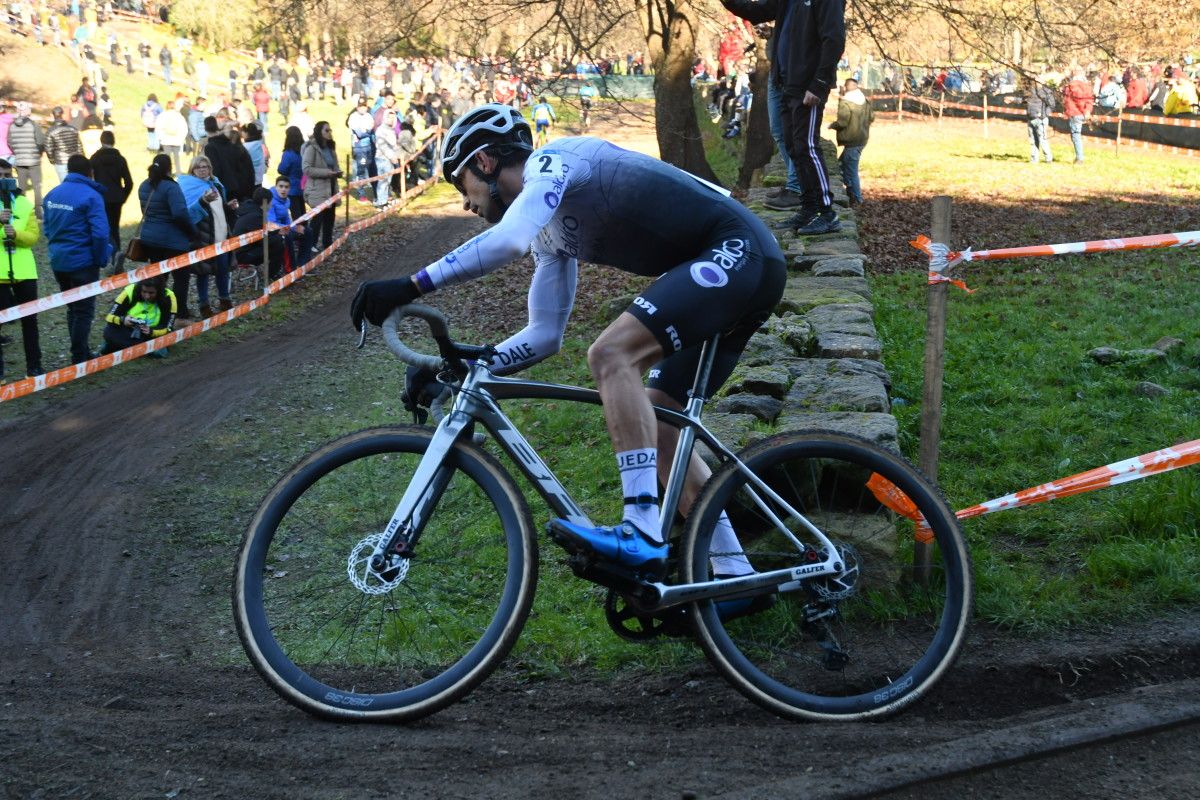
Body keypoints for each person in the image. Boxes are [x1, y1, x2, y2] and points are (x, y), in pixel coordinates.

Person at [350, 104, 785, 580]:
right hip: (735, 267)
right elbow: (545, 335)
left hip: (736, 250)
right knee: (659, 420)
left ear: (486, 162)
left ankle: (640, 528)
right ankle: (734, 572)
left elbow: (508, 242)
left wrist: (411, 285)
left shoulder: (555, 162)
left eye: (461, 184)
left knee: (611, 354)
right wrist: (458, 368)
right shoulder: (550, 234)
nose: (465, 204)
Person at [722, 0, 846, 236]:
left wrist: (819, 84)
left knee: (807, 147)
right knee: (793, 146)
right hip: (786, 82)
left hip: (807, 86)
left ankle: (827, 214)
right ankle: (808, 209)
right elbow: (756, 11)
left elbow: (834, 39)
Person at [42, 154, 111, 364]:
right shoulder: (91, 196)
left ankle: (79, 352)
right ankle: (80, 356)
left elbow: (47, 227)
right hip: (83, 262)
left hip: (59, 262)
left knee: (73, 308)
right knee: (83, 311)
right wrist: (100, 258)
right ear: (90, 172)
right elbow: (100, 234)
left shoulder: (51, 194)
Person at [136, 153, 200, 317]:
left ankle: (156, 310)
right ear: (169, 168)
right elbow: (179, 214)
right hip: (173, 241)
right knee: (181, 278)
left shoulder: (144, 185)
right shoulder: (171, 187)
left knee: (158, 279)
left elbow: (146, 211)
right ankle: (179, 312)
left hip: (150, 239)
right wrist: (192, 232)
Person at [0, 156, 44, 379]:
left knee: (30, 321)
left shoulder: (25, 203)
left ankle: (34, 366)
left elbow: (34, 237)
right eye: (0, 176)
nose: (4, 180)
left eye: (8, 176)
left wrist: (16, 234)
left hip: (25, 271)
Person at [179, 154, 235, 316]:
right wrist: (202, 201)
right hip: (202, 236)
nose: (202, 170)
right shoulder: (187, 186)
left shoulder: (215, 184)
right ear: (193, 170)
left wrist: (228, 206)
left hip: (221, 233)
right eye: (199, 167)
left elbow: (219, 208)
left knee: (223, 269)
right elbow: (187, 214)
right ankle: (204, 305)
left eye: (206, 167)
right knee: (203, 272)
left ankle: (225, 300)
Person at [98, 276, 176, 356]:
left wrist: (151, 331)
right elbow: (109, 317)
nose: (147, 296)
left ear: (159, 291)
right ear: (140, 288)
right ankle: (147, 349)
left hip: (152, 333)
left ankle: (115, 346)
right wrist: (123, 320)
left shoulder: (169, 297)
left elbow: (168, 328)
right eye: (144, 292)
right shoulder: (129, 291)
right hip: (128, 329)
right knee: (109, 331)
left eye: (151, 293)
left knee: (168, 337)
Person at [88, 129, 133, 268]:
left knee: (103, 227)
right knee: (114, 227)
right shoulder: (121, 159)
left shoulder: (94, 159)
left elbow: (90, 180)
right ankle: (117, 254)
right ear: (113, 141)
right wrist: (123, 196)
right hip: (117, 198)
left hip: (101, 198)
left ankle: (111, 254)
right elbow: (129, 182)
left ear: (101, 141)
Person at [828, 78, 872, 205]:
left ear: (846, 87)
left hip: (852, 140)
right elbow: (872, 117)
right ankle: (850, 191)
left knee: (851, 171)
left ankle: (857, 199)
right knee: (840, 165)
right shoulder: (865, 100)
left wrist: (833, 125)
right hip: (862, 139)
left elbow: (843, 121)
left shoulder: (845, 102)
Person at [301, 120, 341, 253]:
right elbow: (306, 169)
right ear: (319, 132)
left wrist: (337, 172)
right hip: (317, 189)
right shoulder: (311, 148)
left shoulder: (330, 148)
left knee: (330, 218)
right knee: (317, 219)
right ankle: (311, 244)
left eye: (330, 130)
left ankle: (327, 244)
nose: (329, 133)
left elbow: (334, 165)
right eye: (326, 130)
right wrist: (327, 173)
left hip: (331, 187)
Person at [6, 102, 46, 216]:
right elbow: (40, 142)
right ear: (27, 111)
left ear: (18, 111)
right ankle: (38, 212)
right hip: (34, 160)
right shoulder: (33, 125)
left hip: (19, 160)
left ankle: (23, 211)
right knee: (37, 187)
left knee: (21, 187)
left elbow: (10, 142)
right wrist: (38, 153)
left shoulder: (12, 126)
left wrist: (17, 152)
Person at [204, 118, 255, 202]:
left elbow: (215, 170)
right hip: (240, 187)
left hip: (225, 189)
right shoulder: (232, 145)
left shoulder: (211, 147)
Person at [1062, 70, 1094, 164]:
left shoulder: (1071, 86)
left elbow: (1070, 99)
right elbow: (1089, 100)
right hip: (1083, 113)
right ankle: (1078, 156)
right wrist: (1087, 110)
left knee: (1076, 135)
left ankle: (1079, 158)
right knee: (1076, 135)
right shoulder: (1087, 87)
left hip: (1075, 112)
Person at [276, 125, 306, 225]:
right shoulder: (304, 151)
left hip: (292, 187)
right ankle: (305, 230)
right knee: (303, 211)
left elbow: (282, 169)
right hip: (303, 184)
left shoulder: (288, 153)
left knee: (296, 214)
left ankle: (300, 234)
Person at [45, 106, 83, 183]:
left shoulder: (50, 131)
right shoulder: (73, 129)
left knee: (65, 184)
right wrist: (80, 158)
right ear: (62, 114)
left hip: (60, 161)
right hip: (74, 160)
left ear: (53, 115)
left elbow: (48, 149)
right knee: (76, 184)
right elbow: (79, 146)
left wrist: (52, 160)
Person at [1021, 78, 1055, 164]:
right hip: (1030, 118)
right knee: (1032, 141)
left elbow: (1051, 105)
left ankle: (1048, 158)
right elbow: (1024, 101)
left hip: (1041, 120)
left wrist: (1043, 115)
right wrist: (1013, 99)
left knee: (1042, 140)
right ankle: (1034, 159)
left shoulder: (1046, 92)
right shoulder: (1029, 91)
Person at [373, 108, 399, 207]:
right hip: (382, 158)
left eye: (393, 117)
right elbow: (382, 145)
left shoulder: (391, 130)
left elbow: (393, 145)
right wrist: (391, 156)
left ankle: (385, 199)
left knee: (388, 181)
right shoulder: (381, 129)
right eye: (389, 117)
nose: (391, 119)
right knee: (383, 181)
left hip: (390, 159)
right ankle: (381, 202)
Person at [154, 98, 189, 175]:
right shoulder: (179, 116)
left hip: (166, 139)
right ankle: (178, 171)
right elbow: (184, 127)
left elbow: (158, 126)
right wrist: (181, 138)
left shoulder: (162, 115)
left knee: (166, 157)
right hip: (177, 139)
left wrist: (160, 138)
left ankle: (167, 172)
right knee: (177, 157)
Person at [241, 121, 269, 186]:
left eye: (242, 132)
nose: (241, 134)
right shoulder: (259, 143)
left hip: (249, 180)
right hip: (259, 178)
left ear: (247, 133)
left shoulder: (245, 147)